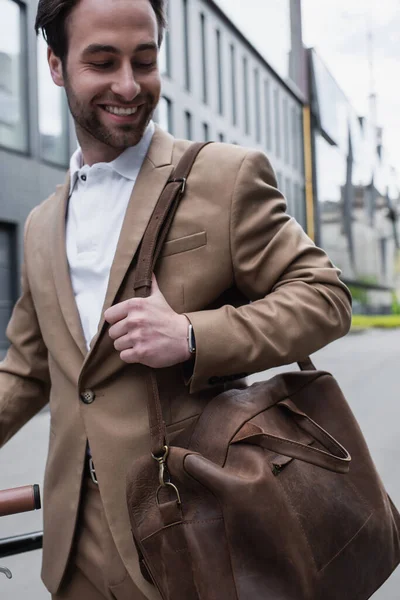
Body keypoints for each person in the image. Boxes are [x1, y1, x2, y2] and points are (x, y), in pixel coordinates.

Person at [0, 0, 352, 598]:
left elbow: (325, 296)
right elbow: (28, 369)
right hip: (73, 547)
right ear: (56, 65)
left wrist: (192, 335)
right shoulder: (40, 224)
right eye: (102, 62)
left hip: (193, 529)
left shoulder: (225, 176)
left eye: (145, 60)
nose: (129, 85)